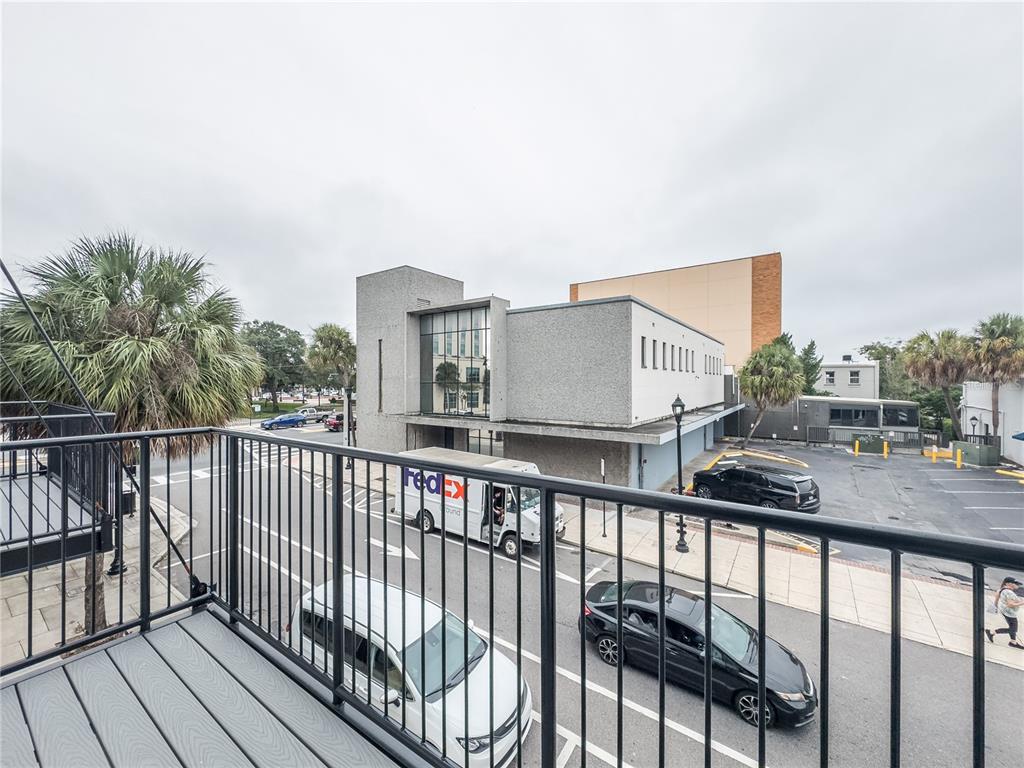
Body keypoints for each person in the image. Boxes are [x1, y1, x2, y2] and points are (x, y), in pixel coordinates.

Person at [985, 576, 1024, 649]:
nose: (1017, 585)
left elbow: (996, 600)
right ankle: (991, 632)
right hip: (1010, 613)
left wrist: (996, 607)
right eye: (1015, 583)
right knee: (1013, 629)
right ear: (1008, 583)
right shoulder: (1009, 592)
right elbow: (1010, 604)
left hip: (1004, 611)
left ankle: (1013, 642)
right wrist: (1022, 603)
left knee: (1012, 627)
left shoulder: (1001, 589)